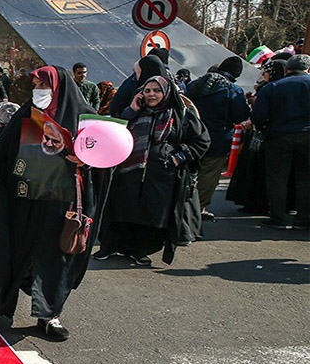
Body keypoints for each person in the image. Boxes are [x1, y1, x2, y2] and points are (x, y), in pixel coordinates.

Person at [0, 66, 101, 341]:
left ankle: (49, 315)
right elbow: (0, 153)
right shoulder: (25, 115)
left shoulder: (86, 120)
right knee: (17, 253)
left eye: (44, 84)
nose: (38, 89)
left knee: (56, 259)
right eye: (36, 84)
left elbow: (107, 159)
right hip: (23, 202)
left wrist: (87, 160)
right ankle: (3, 305)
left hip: (61, 206)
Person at [96, 62, 211, 265]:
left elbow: (201, 141)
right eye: (147, 90)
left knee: (150, 214)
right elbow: (116, 131)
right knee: (121, 208)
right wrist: (131, 110)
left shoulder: (180, 115)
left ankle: (139, 250)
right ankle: (111, 246)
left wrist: (180, 156)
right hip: (129, 171)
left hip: (162, 174)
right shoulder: (135, 112)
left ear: (166, 92)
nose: (151, 94)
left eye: (157, 91)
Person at [186, 56, 251, 219]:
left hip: (191, 136)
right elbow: (240, 115)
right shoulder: (233, 90)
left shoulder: (196, 84)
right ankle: (197, 209)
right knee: (208, 175)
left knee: (187, 171)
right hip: (217, 139)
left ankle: (181, 204)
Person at [250, 54, 310, 230]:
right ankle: (304, 218)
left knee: (277, 178)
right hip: (307, 136)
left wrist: (265, 128)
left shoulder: (272, 87)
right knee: (306, 179)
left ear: (286, 69)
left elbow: (258, 116)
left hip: (279, 136)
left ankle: (278, 217)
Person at [226, 60, 288, 213]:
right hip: (276, 135)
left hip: (262, 135)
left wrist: (252, 120)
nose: (263, 74)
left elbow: (260, 114)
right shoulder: (277, 87)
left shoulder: (270, 88)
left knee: (259, 171)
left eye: (267, 71)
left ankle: (257, 203)